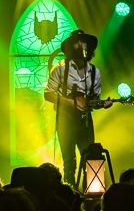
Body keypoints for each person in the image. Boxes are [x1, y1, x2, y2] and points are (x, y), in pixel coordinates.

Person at [45, 29, 111, 184]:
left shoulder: (94, 72)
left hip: (85, 122)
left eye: (84, 42)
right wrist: (70, 102)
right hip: (65, 121)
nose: (81, 45)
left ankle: (90, 192)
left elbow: (94, 99)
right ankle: (69, 191)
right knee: (69, 162)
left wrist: (102, 104)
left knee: (90, 159)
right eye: (77, 43)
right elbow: (48, 94)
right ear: (70, 48)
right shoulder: (60, 69)